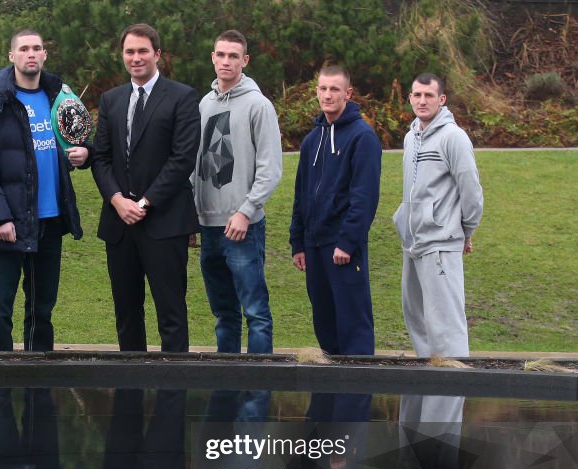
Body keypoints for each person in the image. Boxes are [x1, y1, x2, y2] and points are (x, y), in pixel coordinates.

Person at [0, 28, 89, 352]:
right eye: (24, 49)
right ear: (12, 56)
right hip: (9, 224)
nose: (31, 54)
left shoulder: (59, 96)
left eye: (37, 48)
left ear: (44, 54)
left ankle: (38, 379)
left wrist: (84, 152)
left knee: (41, 309)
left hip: (50, 219)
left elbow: (80, 136)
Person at [92, 23, 201, 353]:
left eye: (142, 51)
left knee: (171, 314)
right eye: (129, 52)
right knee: (126, 314)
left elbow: (182, 159)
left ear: (157, 54)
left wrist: (144, 202)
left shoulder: (182, 97)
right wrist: (116, 200)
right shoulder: (111, 100)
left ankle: (173, 394)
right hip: (119, 224)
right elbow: (101, 157)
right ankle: (131, 394)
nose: (136, 58)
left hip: (164, 223)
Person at [194, 30, 283, 354]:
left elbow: (271, 169)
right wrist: (194, 216)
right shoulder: (204, 104)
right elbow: (196, 165)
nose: (226, 61)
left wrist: (246, 211)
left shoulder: (259, 105)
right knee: (223, 314)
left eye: (234, 56)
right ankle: (227, 384)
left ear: (244, 60)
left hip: (242, 227)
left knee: (255, 313)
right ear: (213, 58)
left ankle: (258, 387)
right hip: (208, 226)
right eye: (221, 54)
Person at [289, 65, 381, 356]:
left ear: (348, 93)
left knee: (353, 324)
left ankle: (357, 392)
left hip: (342, 247)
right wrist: (298, 242)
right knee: (325, 322)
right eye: (322, 89)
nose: (327, 95)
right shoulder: (311, 141)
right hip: (314, 245)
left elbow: (364, 197)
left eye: (334, 89)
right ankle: (334, 393)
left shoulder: (361, 137)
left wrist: (347, 241)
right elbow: (301, 194)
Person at [394, 73, 484, 358]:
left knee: (446, 323)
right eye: (417, 95)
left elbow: (471, 190)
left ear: (441, 100)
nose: (422, 101)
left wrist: (466, 230)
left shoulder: (453, 137)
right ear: (410, 98)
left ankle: (453, 381)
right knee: (417, 319)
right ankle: (429, 379)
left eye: (428, 95)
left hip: (441, 242)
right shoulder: (411, 138)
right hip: (413, 243)